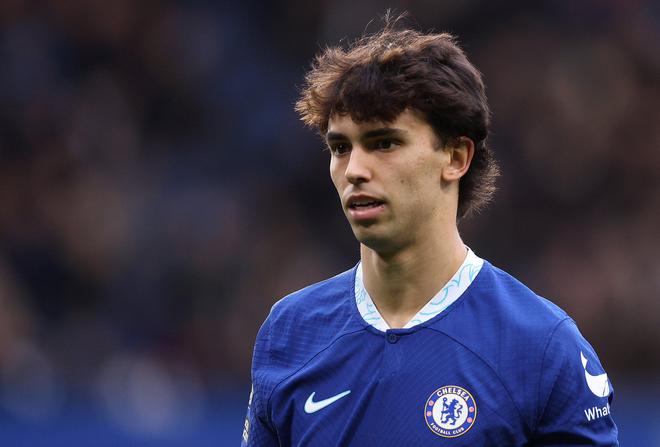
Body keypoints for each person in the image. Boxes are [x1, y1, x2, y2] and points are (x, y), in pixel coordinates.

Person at [241, 17, 618, 446]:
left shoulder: (542, 348)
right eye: (340, 147)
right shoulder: (289, 332)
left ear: (456, 157)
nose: (355, 170)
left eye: (384, 143)